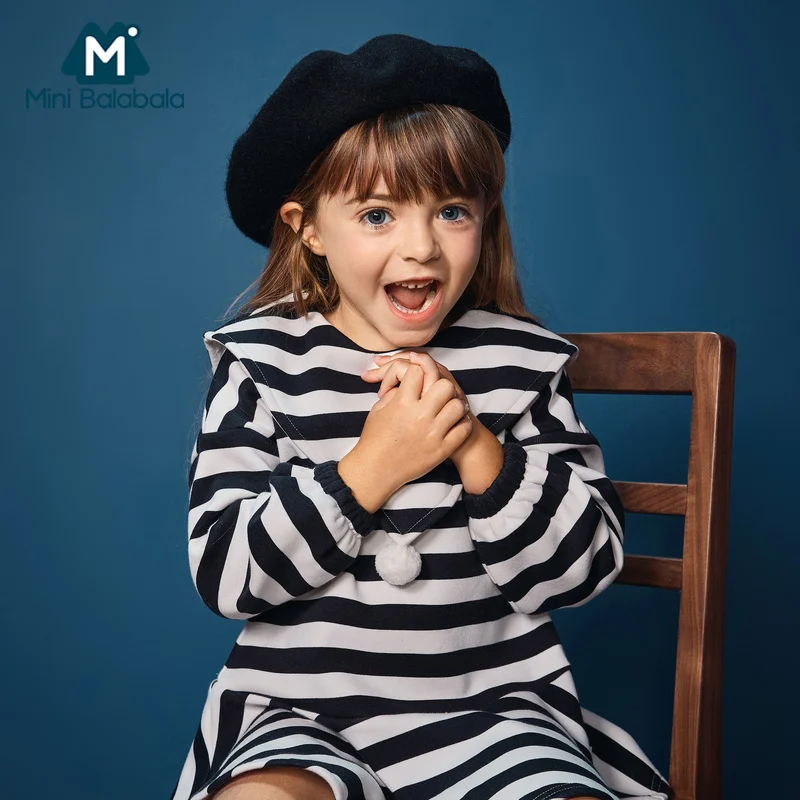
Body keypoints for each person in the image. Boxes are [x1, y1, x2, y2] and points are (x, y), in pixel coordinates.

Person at [170, 33, 672, 800]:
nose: (421, 248)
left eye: (451, 210)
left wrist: (472, 445)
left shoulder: (522, 364)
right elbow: (227, 575)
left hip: (494, 714)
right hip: (302, 717)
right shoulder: (262, 366)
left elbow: (585, 565)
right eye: (377, 214)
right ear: (309, 228)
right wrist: (369, 469)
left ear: (486, 217)